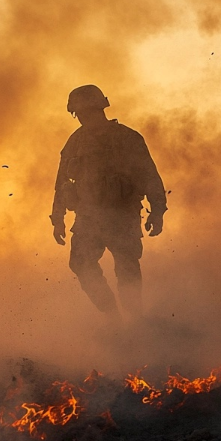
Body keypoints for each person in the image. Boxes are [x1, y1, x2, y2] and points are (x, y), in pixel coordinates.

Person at [50, 85, 167, 320]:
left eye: (87, 112)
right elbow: (62, 181)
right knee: (81, 265)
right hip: (88, 217)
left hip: (122, 216)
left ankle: (137, 322)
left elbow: (149, 175)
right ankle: (112, 315)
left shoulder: (128, 138)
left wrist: (157, 211)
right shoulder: (76, 142)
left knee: (127, 273)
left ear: (100, 109)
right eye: (79, 114)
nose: (83, 118)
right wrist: (58, 218)